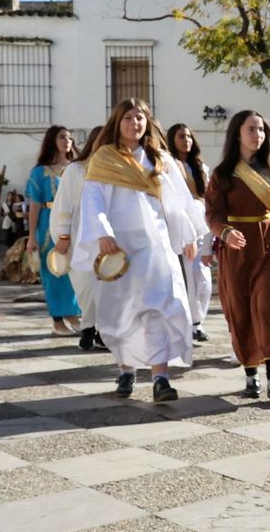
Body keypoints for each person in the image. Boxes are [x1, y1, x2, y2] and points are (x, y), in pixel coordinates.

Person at [76, 99, 203, 404]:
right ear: (117, 123)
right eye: (129, 118)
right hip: (120, 248)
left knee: (160, 307)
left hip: (156, 247)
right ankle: (126, 369)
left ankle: (160, 378)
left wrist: (187, 236)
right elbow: (93, 199)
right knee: (122, 311)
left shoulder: (160, 159)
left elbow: (178, 202)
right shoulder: (104, 158)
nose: (135, 123)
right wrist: (103, 235)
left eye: (140, 118)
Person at [205, 110, 270, 402]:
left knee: (269, 308)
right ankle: (251, 376)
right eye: (251, 129)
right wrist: (224, 232)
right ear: (237, 134)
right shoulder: (223, 174)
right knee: (239, 310)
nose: (257, 135)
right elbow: (212, 212)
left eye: (261, 130)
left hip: (269, 247)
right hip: (235, 249)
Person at [52, 126, 106, 353]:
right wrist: (64, 235)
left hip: (106, 239)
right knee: (85, 286)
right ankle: (88, 327)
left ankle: (100, 331)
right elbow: (64, 203)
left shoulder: (115, 171)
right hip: (79, 237)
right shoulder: (75, 170)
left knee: (106, 286)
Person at [27, 125, 82, 337]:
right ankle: (58, 320)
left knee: (73, 269)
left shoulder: (77, 168)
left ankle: (73, 314)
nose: (67, 141)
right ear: (52, 141)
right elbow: (34, 205)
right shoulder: (40, 171)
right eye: (61, 137)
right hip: (48, 223)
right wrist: (32, 236)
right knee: (54, 269)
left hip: (74, 222)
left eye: (69, 137)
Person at [168, 122, 215, 343]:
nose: (186, 140)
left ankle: (198, 320)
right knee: (185, 275)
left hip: (202, 221)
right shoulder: (169, 166)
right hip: (181, 222)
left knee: (203, 277)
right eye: (180, 136)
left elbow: (207, 198)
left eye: (188, 136)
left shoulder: (201, 168)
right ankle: (188, 323)